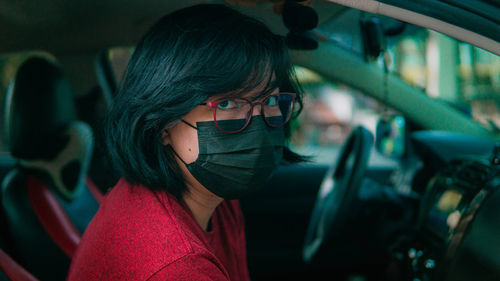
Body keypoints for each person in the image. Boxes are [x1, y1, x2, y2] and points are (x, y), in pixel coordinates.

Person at [67, 3, 304, 281]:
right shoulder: (179, 266)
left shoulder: (213, 196)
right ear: (161, 122)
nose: (258, 124)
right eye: (227, 103)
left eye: (271, 100)